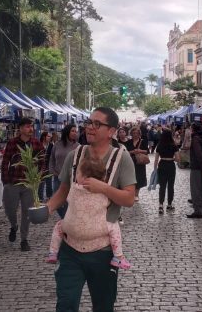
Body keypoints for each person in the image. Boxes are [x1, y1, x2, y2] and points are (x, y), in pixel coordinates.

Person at [47, 107, 136, 312]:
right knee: (66, 304)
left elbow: (129, 199)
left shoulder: (121, 159)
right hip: (70, 250)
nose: (90, 127)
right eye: (89, 122)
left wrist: (102, 187)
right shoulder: (75, 155)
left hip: (103, 253)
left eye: (97, 124)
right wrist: (46, 210)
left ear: (111, 131)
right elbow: (62, 191)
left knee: (103, 306)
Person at [45, 154, 131, 270]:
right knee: (114, 227)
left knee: (59, 226)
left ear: (83, 177)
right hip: (97, 228)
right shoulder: (102, 192)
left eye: (78, 173)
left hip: (71, 227)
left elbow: (67, 198)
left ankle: (53, 252)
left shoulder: (73, 189)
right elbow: (108, 202)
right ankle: (118, 256)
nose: (76, 175)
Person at [1, 117, 45, 251]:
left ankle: (24, 239)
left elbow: (43, 161)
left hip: (29, 183)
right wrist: (6, 180)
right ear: (20, 129)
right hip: (13, 181)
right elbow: (5, 162)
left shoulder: (36, 143)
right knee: (10, 209)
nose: (30, 129)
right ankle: (13, 225)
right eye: (27, 126)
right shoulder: (12, 143)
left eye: (31, 126)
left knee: (27, 212)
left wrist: (38, 177)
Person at [48, 124, 79, 218]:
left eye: (76, 131)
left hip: (72, 179)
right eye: (72, 131)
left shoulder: (78, 146)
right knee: (58, 202)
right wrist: (52, 170)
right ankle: (65, 218)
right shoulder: (57, 145)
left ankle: (68, 220)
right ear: (67, 132)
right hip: (58, 177)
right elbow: (52, 159)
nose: (75, 133)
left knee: (70, 201)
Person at [187, 122, 202, 218]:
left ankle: (198, 210)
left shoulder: (195, 139)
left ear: (193, 129)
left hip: (197, 167)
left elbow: (199, 154)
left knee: (195, 189)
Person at [153, 129, 177, 214]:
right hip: (171, 165)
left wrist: (155, 169)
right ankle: (169, 204)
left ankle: (160, 205)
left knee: (162, 186)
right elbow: (178, 159)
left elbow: (156, 159)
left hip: (162, 165)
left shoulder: (159, 145)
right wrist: (173, 158)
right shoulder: (174, 145)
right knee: (171, 186)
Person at [125, 126, 149, 201]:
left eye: (137, 133)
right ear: (131, 134)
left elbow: (147, 151)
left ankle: (136, 194)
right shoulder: (128, 142)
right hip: (130, 162)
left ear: (139, 134)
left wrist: (140, 150)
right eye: (134, 133)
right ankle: (131, 193)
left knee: (139, 177)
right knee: (130, 177)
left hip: (139, 162)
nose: (135, 134)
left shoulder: (143, 141)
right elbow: (125, 152)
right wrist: (132, 152)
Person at [39, 131, 54, 201]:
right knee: (41, 183)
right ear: (44, 137)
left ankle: (49, 196)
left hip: (49, 166)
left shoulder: (51, 145)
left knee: (49, 182)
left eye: (50, 137)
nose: (50, 138)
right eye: (48, 136)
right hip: (40, 167)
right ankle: (40, 198)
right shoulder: (39, 144)